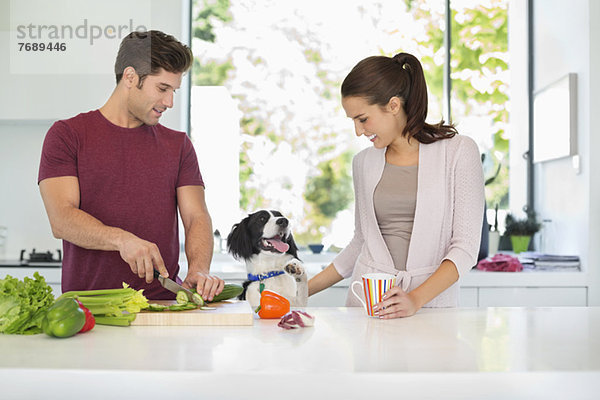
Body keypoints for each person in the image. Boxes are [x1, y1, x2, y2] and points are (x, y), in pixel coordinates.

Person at [38, 30, 224, 300]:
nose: (169, 102)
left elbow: (196, 217)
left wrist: (198, 270)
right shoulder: (67, 135)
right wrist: (121, 240)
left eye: (173, 90)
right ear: (130, 77)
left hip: (162, 306)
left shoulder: (179, 145)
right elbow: (62, 219)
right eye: (162, 88)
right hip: (90, 312)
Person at [308, 52, 484, 318]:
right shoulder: (363, 163)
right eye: (353, 121)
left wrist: (414, 299)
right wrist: (299, 291)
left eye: (363, 119)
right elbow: (360, 242)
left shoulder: (458, 152)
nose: (358, 131)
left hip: (429, 308)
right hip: (369, 307)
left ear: (393, 105)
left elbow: (465, 248)